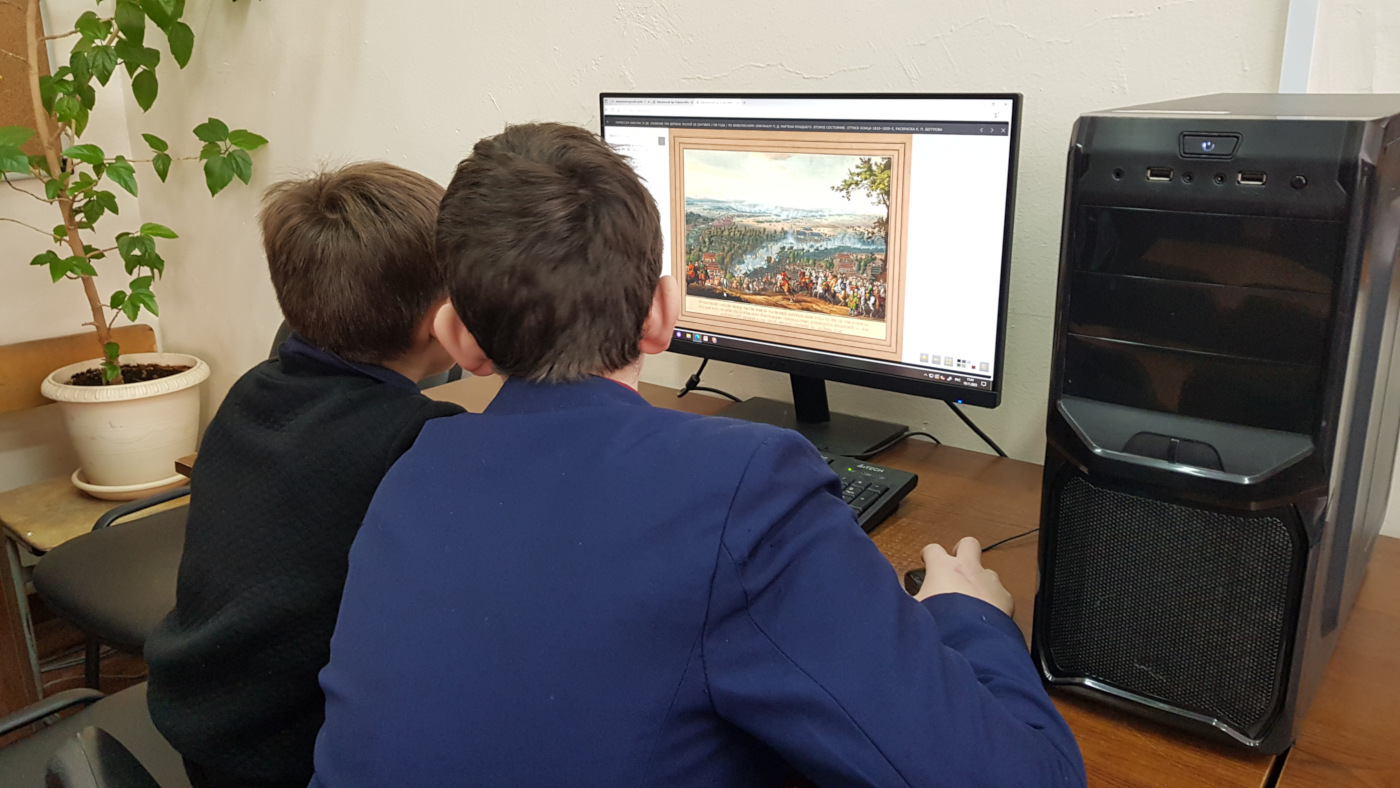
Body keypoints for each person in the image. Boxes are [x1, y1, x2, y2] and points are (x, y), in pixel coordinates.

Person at [310, 124, 1086, 787]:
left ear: (458, 339)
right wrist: (969, 615)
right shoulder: (744, 489)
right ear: (663, 314)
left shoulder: (408, 473)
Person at [144, 163, 478, 788]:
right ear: (442, 320)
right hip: (295, 758)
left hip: (206, 722)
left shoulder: (254, 389)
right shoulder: (420, 439)